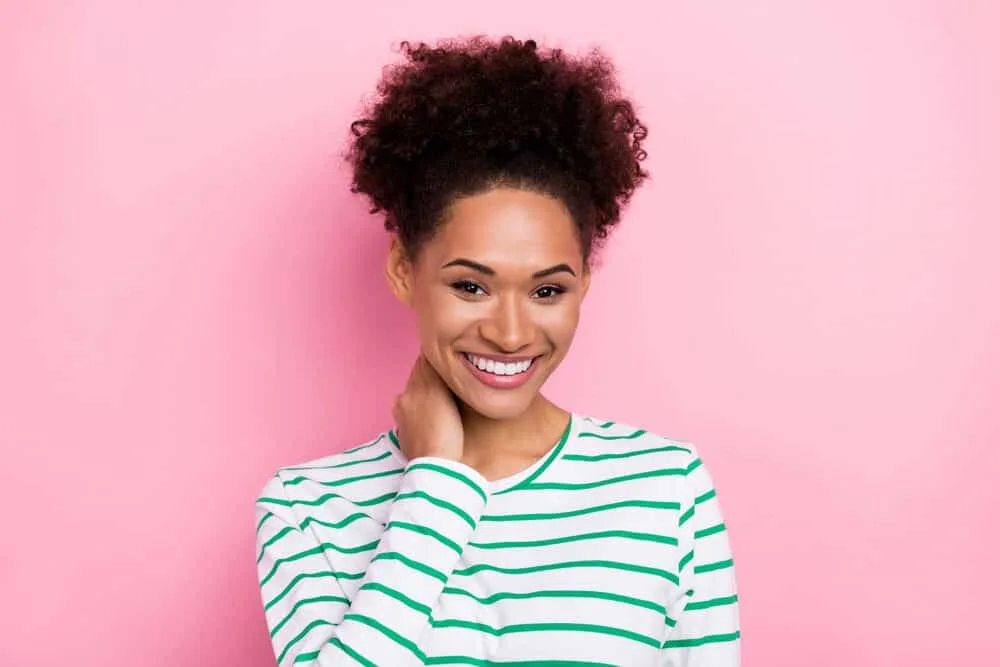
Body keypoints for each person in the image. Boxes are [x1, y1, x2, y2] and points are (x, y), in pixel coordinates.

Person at [254, 36, 740, 666]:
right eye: (470, 286)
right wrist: (436, 485)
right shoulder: (308, 509)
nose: (510, 333)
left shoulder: (665, 486)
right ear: (404, 269)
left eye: (546, 289)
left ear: (583, 284)